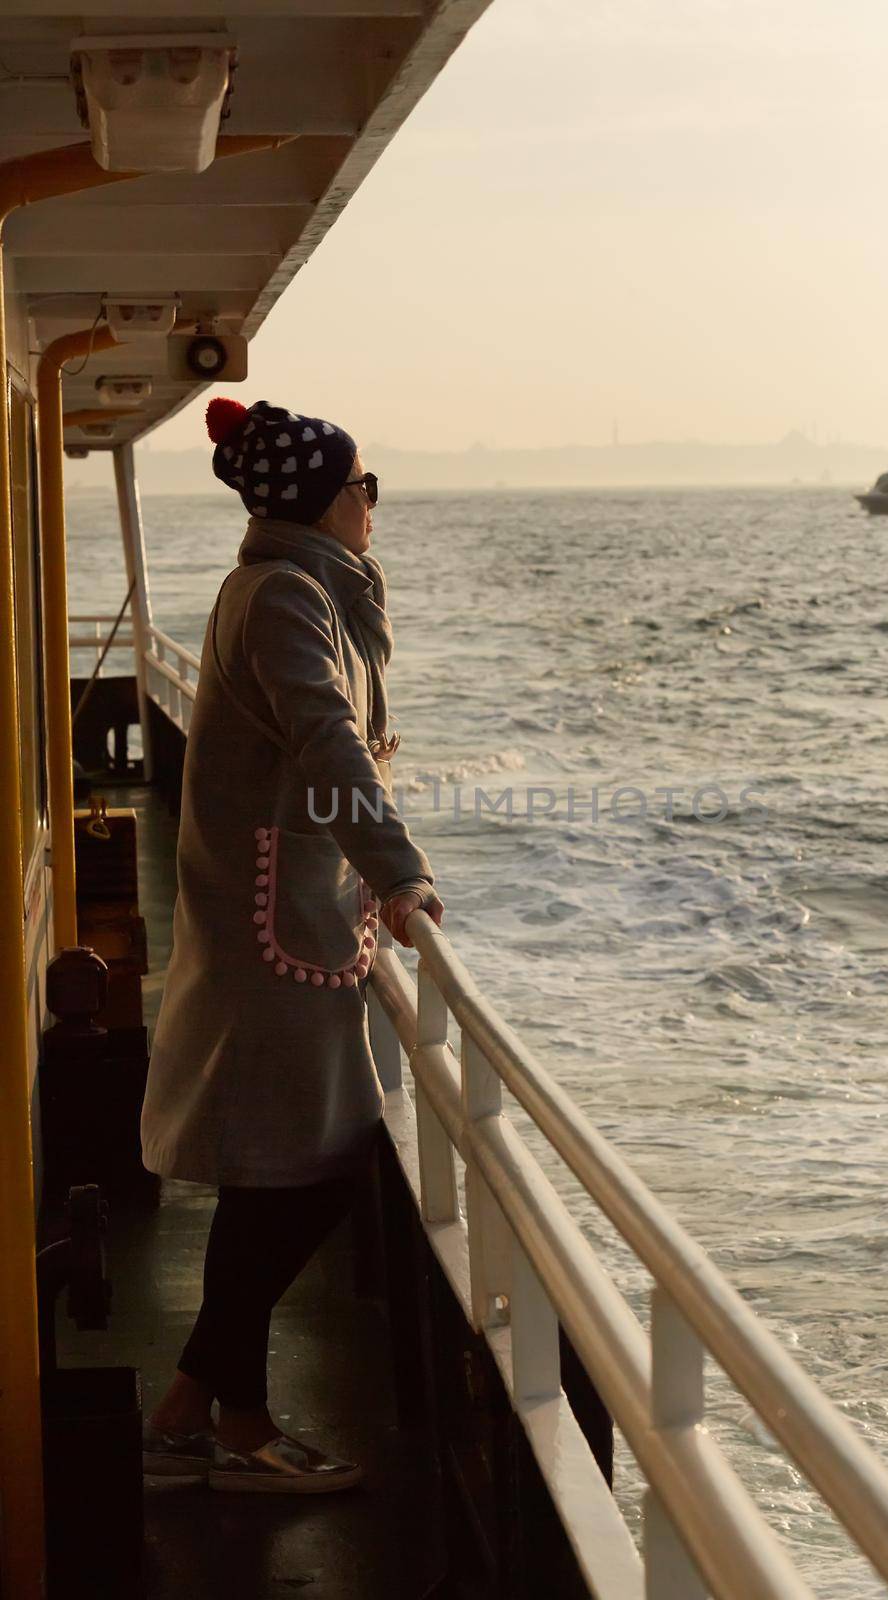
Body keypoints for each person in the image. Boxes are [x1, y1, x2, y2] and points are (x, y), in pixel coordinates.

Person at [139, 396, 443, 1493]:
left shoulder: (302, 587)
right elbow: (327, 742)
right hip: (274, 937)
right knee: (303, 1175)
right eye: (363, 484)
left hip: (298, 925)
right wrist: (401, 871)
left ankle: (200, 1416)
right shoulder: (279, 596)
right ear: (321, 497)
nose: (372, 503)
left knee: (284, 1178)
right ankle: (227, 1423)